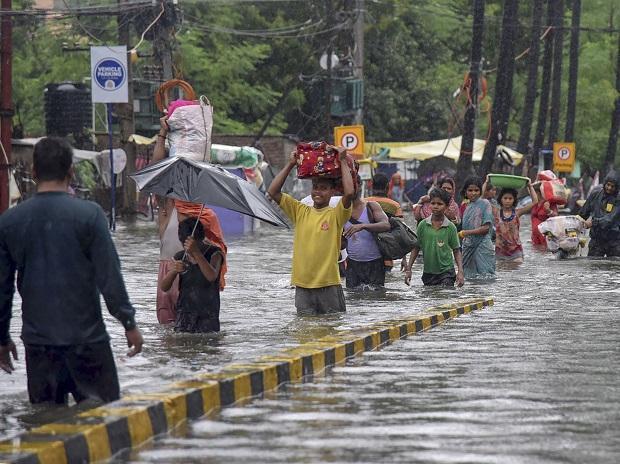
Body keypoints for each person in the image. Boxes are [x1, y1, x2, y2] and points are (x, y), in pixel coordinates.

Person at [0, 137, 143, 405]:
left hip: (39, 347)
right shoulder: (90, 216)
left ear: (33, 173)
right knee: (104, 424)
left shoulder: (10, 222)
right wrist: (128, 323)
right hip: (88, 343)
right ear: (71, 172)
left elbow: (2, 289)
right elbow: (109, 276)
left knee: (44, 429)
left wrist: (1, 338)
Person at [152, 115, 228, 323]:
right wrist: (163, 134)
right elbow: (156, 170)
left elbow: (214, 262)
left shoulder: (207, 216)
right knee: (170, 337)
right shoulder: (169, 206)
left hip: (198, 283)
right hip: (170, 273)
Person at [267, 148, 354, 315]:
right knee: (305, 332)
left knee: (332, 331)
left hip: (328, 285)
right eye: (315, 187)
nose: (317, 192)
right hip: (302, 286)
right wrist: (291, 163)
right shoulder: (300, 211)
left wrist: (342, 161)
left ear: (332, 192)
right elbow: (273, 192)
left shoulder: (336, 214)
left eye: (323, 188)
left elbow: (349, 193)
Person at [160, 218, 224, 332]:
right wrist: (174, 271)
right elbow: (164, 287)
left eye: (193, 245)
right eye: (185, 245)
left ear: (201, 239)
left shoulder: (215, 253)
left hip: (208, 315)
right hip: (184, 313)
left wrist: (196, 252)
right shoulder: (180, 256)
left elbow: (211, 276)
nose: (188, 249)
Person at [404, 188, 464, 287]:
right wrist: (409, 269)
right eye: (433, 203)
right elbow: (416, 247)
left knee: (445, 295)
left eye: (440, 204)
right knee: (431, 299)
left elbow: (456, 250)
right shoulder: (423, 225)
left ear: (446, 206)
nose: (435, 206)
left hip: (447, 272)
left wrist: (460, 272)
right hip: (428, 273)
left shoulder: (450, 227)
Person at [343, 179, 391, 289]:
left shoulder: (372, 206)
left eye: (354, 185)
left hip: (375, 263)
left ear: (360, 185)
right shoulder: (341, 210)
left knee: (376, 299)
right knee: (353, 300)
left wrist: (363, 226)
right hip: (352, 264)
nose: (351, 190)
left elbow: (386, 225)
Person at [491, 178, 538, 262]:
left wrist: (530, 186)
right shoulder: (496, 212)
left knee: (517, 268)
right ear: (501, 199)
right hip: (500, 250)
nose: (507, 201)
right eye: (505, 198)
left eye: (510, 199)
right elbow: (482, 199)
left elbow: (535, 201)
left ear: (514, 200)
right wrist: (487, 182)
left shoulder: (518, 213)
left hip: (516, 251)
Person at [459, 176, 496, 279]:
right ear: (465, 192)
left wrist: (466, 233)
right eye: (470, 190)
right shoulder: (467, 207)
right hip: (468, 246)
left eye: (476, 190)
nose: (473, 193)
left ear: (480, 191)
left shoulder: (485, 204)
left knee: (486, 277)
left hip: (483, 245)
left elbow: (485, 228)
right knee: (468, 277)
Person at [578, 171, 620, 257]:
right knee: (593, 267)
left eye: (613, 186)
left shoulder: (618, 199)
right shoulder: (595, 194)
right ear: (605, 183)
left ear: (617, 188)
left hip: (614, 242)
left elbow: (609, 220)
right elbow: (583, 214)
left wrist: (593, 222)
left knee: (613, 268)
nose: (609, 188)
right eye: (608, 185)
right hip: (596, 240)